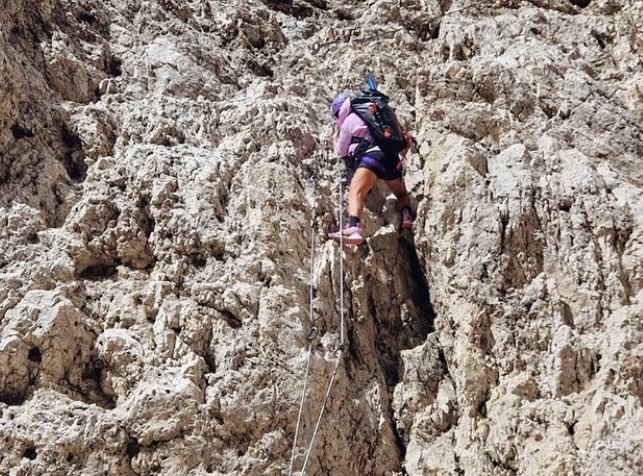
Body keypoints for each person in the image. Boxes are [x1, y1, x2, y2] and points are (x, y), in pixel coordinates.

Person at [328, 92, 414, 246]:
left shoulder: (349, 120)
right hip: (390, 157)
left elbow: (341, 151)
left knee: (356, 192)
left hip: (371, 157)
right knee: (400, 192)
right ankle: (407, 215)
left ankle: (353, 227)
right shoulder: (373, 114)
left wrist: (336, 137)